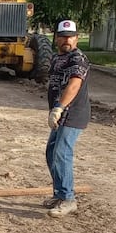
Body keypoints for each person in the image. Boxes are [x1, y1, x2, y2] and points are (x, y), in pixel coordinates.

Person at [43, 20, 90, 218]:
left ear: (77, 38)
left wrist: (59, 108)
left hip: (73, 113)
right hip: (61, 113)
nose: (66, 40)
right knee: (51, 152)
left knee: (62, 153)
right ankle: (60, 194)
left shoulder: (77, 59)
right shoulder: (57, 57)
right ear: (56, 38)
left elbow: (74, 85)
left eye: (70, 36)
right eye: (62, 36)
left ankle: (69, 199)